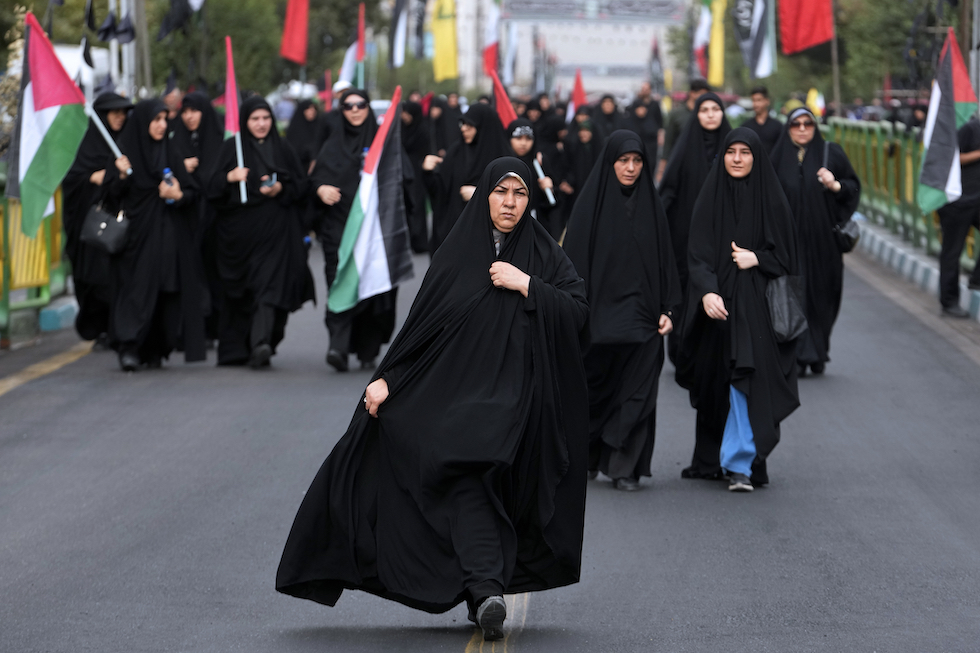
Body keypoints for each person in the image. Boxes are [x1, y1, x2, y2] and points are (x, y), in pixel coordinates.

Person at [276, 157, 590, 642]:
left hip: (517, 400)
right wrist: (387, 381)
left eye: (520, 194)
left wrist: (526, 284)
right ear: (485, 194)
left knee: (478, 478)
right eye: (501, 192)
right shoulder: (456, 256)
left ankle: (483, 588)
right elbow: (422, 332)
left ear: (529, 201)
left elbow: (577, 312)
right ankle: (485, 591)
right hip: (453, 397)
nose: (509, 203)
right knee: (467, 475)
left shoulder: (545, 255)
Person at [675, 128, 800, 490]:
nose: (738, 159)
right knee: (717, 383)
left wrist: (756, 257)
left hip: (758, 308)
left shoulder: (772, 201)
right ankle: (714, 459)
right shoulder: (710, 197)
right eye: (732, 152)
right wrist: (706, 292)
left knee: (744, 380)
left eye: (746, 152)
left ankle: (741, 463)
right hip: (718, 308)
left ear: (756, 157)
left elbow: (788, 257)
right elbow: (697, 255)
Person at [563, 130, 681, 491]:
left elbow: (666, 263)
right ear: (610, 163)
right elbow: (572, 267)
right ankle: (589, 455)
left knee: (638, 393)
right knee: (595, 391)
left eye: (637, 161)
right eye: (623, 161)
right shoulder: (589, 207)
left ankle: (625, 467)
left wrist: (669, 309)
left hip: (643, 319)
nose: (630, 168)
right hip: (598, 321)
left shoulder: (652, 205)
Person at [207, 96, 315, 368]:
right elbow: (211, 189)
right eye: (255, 119)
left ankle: (261, 343)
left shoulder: (283, 148)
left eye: (266, 118)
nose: (261, 124)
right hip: (241, 237)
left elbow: (302, 187)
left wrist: (282, 189)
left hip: (278, 233)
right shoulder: (233, 149)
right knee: (246, 292)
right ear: (245, 121)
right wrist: (230, 178)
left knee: (271, 286)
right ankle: (248, 344)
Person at [102, 99, 207, 372]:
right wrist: (121, 176)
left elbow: (194, 193)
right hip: (135, 241)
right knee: (135, 291)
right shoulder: (126, 154)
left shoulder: (171, 153)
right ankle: (129, 346)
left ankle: (156, 347)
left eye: (164, 120)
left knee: (165, 292)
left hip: (168, 240)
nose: (161, 126)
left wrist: (178, 194)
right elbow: (108, 197)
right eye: (156, 120)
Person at [311, 89, 400, 372]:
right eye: (347, 106)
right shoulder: (332, 146)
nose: (355, 110)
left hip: (375, 231)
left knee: (374, 288)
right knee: (339, 280)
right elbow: (315, 179)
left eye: (360, 105)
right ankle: (337, 345)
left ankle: (367, 349)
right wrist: (320, 189)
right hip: (339, 228)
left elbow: (401, 177)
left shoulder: (383, 144)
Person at [771, 107, 861, 371]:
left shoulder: (830, 153)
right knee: (791, 294)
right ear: (787, 128)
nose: (801, 129)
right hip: (789, 243)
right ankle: (797, 355)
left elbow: (853, 187)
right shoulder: (777, 158)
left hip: (824, 244)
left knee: (824, 294)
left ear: (815, 127)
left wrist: (836, 186)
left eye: (807, 124)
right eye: (795, 124)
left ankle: (819, 349)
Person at [659, 92, 731, 362]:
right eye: (705, 110)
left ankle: (714, 349)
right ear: (696, 115)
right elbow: (668, 192)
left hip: (725, 236)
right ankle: (682, 348)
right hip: (685, 236)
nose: (711, 114)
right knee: (685, 287)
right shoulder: (685, 149)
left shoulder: (733, 149)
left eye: (716, 109)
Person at [62, 92, 132, 346]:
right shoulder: (84, 145)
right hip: (88, 225)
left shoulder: (127, 142)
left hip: (120, 224)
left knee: (113, 277)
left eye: (123, 112)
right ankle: (97, 326)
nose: (120, 117)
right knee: (92, 278)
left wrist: (117, 175)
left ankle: (115, 327)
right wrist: (98, 176)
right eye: (114, 113)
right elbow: (74, 178)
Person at [168, 91, 224, 345]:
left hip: (214, 219)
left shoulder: (218, 141)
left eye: (195, 111)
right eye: (185, 111)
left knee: (212, 272)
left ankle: (213, 327)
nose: (189, 117)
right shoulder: (176, 141)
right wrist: (181, 166)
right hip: (185, 216)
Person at [423, 103, 508, 253]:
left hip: (488, 240)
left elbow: (512, 199)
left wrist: (480, 194)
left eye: (470, 125)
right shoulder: (456, 152)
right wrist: (428, 173)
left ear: (484, 127)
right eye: (463, 124)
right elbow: (440, 192)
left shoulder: (502, 159)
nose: (463, 128)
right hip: (455, 234)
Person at [933, 115, 980, 317]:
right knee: (952, 252)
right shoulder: (971, 129)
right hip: (956, 201)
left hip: (977, 200)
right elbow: (951, 157)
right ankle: (949, 301)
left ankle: (976, 279)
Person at [505, 118, 558, 238]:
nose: (523, 143)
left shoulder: (539, 162)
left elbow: (553, 203)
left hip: (534, 224)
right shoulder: (502, 164)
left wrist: (550, 187)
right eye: (518, 138)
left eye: (528, 139)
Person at [401, 100, 432, 254]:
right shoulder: (401, 128)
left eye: (407, 113)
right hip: (403, 172)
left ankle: (419, 241)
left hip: (418, 174)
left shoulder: (423, 129)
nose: (404, 116)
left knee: (417, 205)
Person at [661, 78, 709, 174]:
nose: (705, 97)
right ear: (692, 93)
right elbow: (668, 143)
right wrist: (662, 168)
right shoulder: (677, 114)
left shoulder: (707, 114)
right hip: (679, 163)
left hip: (702, 162)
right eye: (702, 93)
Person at [285, 99, 326, 175]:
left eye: (313, 108)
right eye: (308, 108)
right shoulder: (294, 129)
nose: (312, 111)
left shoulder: (320, 127)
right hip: (298, 171)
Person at [742, 85, 782, 153]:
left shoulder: (777, 126)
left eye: (759, 100)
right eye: (753, 100)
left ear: (767, 101)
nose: (756, 104)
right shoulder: (746, 126)